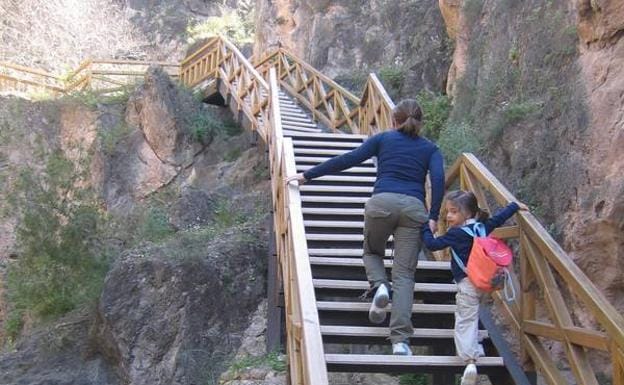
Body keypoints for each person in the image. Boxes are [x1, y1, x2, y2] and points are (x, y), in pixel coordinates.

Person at [286, 99, 445, 355]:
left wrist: (308, 174)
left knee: (372, 253)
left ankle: (380, 285)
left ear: (394, 120)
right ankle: (401, 342)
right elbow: (438, 180)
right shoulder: (431, 149)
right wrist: (434, 215)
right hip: (415, 209)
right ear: (420, 123)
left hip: (381, 203)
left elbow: (348, 159)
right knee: (405, 276)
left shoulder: (383, 139)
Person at [421, 190, 528, 385]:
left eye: (453, 212)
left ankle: (470, 360)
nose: (448, 216)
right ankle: (476, 347)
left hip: (467, 284)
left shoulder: (456, 234)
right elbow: (497, 219)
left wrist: (425, 227)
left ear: (467, 214)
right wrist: (514, 206)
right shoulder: (481, 228)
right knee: (474, 313)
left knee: (465, 319)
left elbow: (432, 245)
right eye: (447, 212)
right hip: (485, 284)